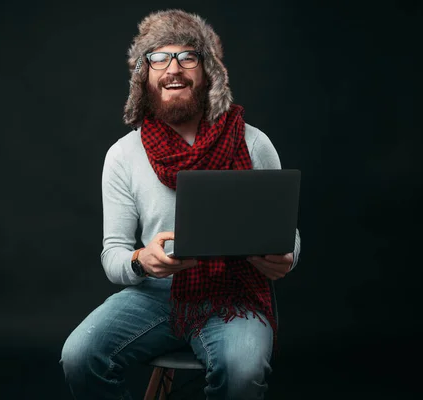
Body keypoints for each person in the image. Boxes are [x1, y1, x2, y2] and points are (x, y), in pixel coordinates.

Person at [60, 9, 301, 399]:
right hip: (156, 295)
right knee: (79, 355)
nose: (173, 68)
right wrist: (142, 260)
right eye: (159, 57)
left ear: (208, 73)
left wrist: (287, 255)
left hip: (235, 295)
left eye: (187, 56)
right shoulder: (124, 155)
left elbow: (286, 232)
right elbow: (114, 255)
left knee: (241, 373)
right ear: (145, 75)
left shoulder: (253, 142)